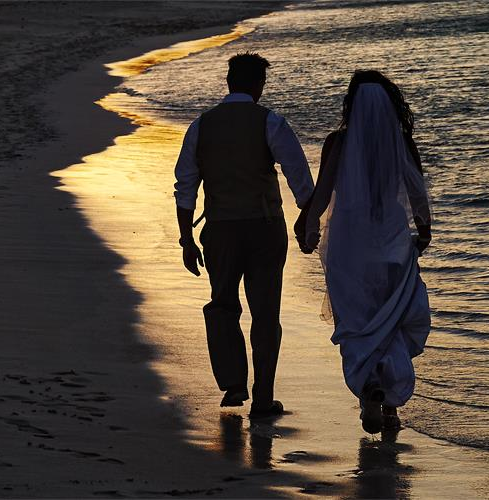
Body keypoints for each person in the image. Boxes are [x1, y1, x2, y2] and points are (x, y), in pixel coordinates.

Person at [172, 53, 313, 419]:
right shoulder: (271, 122)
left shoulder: (201, 126)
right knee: (265, 313)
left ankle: (234, 383)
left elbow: (185, 187)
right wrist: (307, 219)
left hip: (220, 229)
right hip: (265, 228)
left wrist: (186, 239)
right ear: (258, 86)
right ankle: (263, 399)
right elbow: (299, 175)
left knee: (222, 304)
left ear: (229, 82)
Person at [295, 70, 432, 434]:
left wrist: (309, 229)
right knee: (394, 319)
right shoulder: (400, 141)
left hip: (349, 245)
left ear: (351, 105)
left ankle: (369, 388)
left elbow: (323, 191)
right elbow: (417, 192)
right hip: (391, 241)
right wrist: (425, 230)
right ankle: (390, 408)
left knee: (356, 322)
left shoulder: (338, 143)